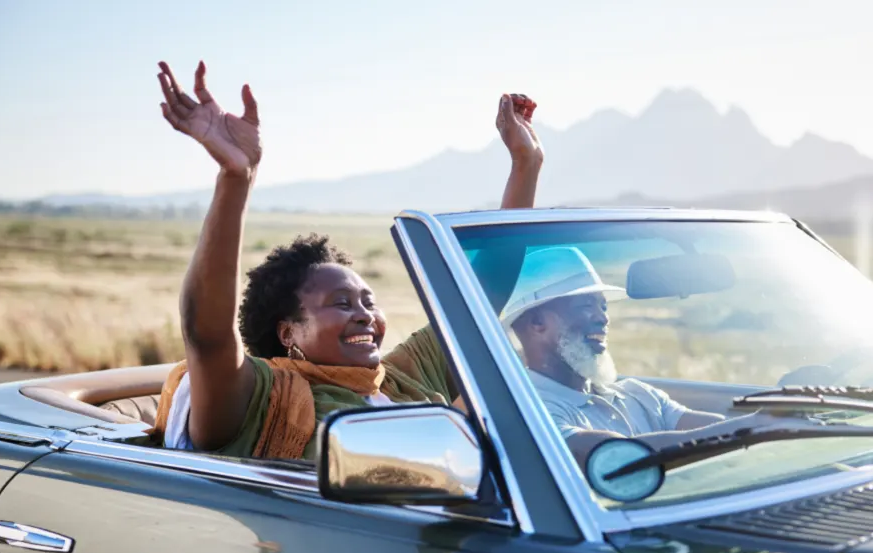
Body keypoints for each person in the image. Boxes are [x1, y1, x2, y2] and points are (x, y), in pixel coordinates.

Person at [150, 60, 544, 460]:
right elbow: (208, 336)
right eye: (342, 303)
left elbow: (483, 295)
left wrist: (525, 163)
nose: (364, 315)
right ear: (287, 333)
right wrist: (236, 177)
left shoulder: (401, 377)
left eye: (368, 302)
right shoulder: (266, 400)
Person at [501, 246, 758, 470]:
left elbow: (710, 427)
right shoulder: (529, 411)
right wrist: (754, 426)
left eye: (603, 306)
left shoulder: (638, 394)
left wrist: (761, 427)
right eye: (586, 306)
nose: (603, 318)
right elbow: (619, 455)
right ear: (537, 322)